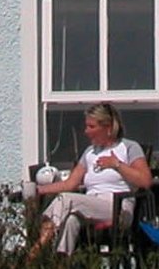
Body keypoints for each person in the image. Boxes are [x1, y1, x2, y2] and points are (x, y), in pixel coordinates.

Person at [29, 102, 151, 255]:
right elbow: (70, 184)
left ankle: (35, 252)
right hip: (90, 205)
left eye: (91, 127)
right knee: (71, 220)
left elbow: (145, 181)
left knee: (66, 200)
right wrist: (38, 190)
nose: (86, 132)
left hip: (117, 207)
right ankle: (60, 264)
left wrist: (117, 165)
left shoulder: (128, 147)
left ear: (107, 127)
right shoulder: (89, 152)